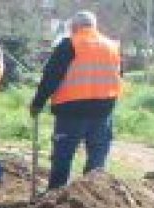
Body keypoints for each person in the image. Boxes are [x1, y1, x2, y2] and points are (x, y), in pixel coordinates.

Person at [29, 11, 123, 190]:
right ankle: (94, 194)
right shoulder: (112, 46)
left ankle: (55, 193)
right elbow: (117, 76)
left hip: (71, 110)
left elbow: (51, 77)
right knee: (97, 157)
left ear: (74, 27)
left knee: (63, 155)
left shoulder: (69, 44)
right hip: (103, 110)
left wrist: (37, 103)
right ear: (94, 26)